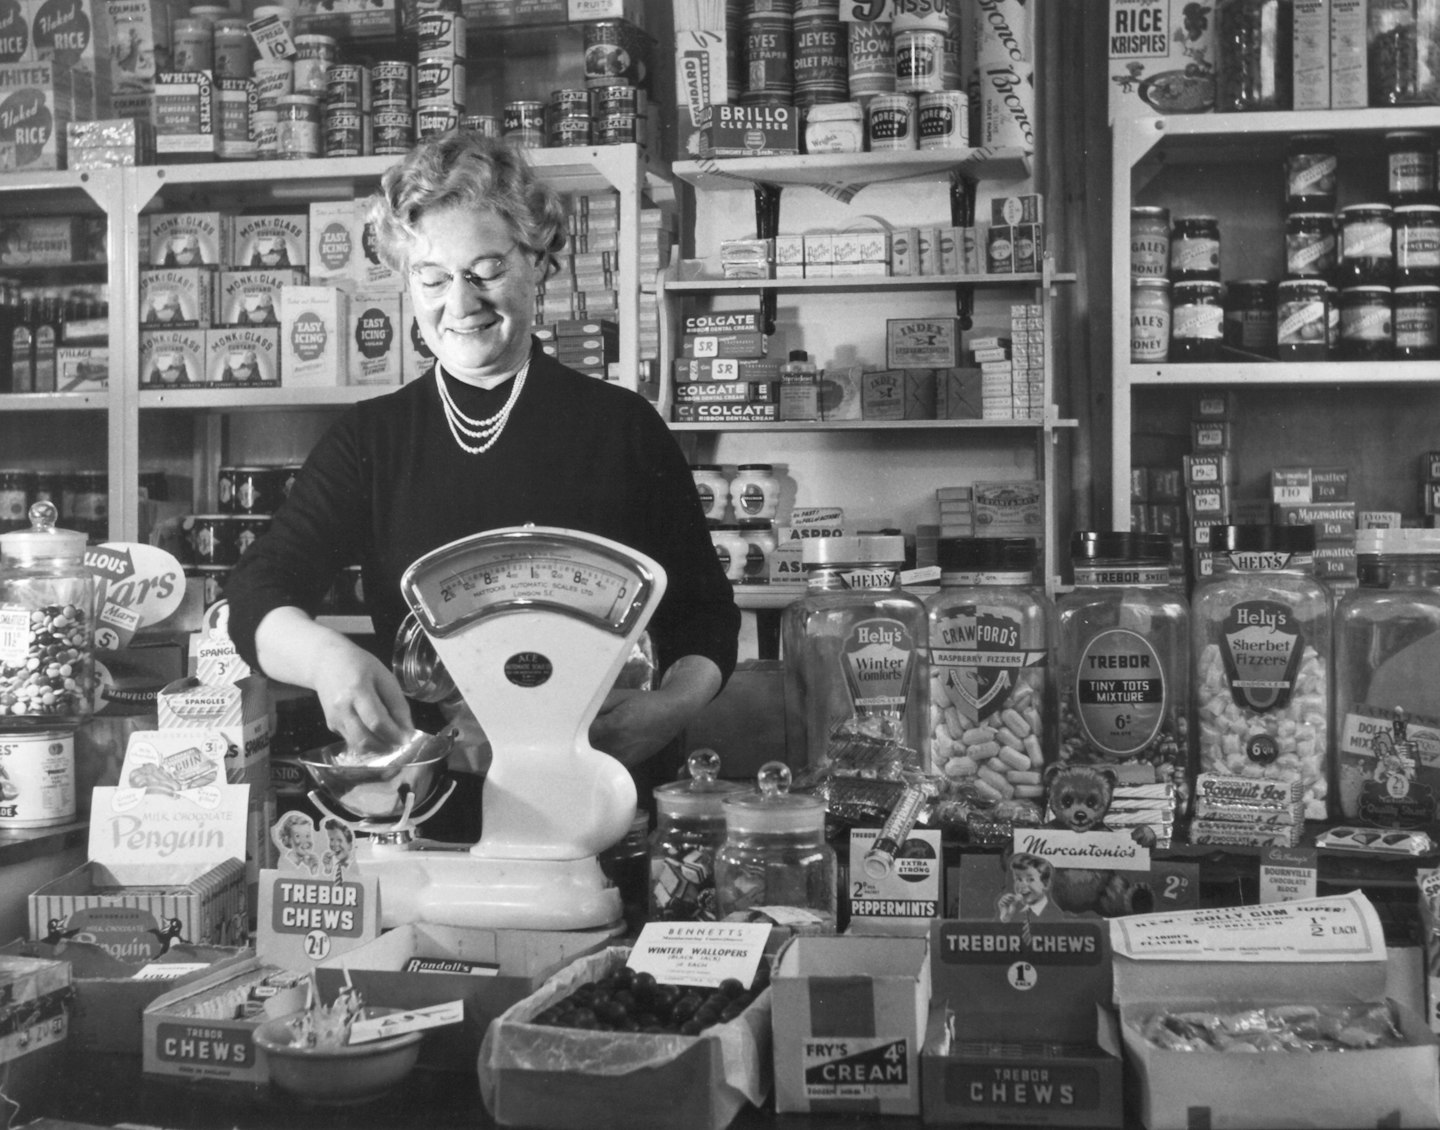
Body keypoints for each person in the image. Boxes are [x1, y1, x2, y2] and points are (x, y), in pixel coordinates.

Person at [224, 131, 740, 811]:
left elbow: (706, 616)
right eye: (433, 278)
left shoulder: (624, 430)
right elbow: (260, 590)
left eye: (487, 270)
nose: (460, 305)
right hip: (432, 800)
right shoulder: (370, 440)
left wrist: (671, 707)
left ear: (539, 265)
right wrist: (326, 660)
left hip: (606, 797)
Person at [996, 852, 1063, 922]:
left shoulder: (1055, 913)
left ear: (1045, 884)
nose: (1022, 885)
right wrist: (1005, 915)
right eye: (1018, 879)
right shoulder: (1015, 910)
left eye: (1031, 879)